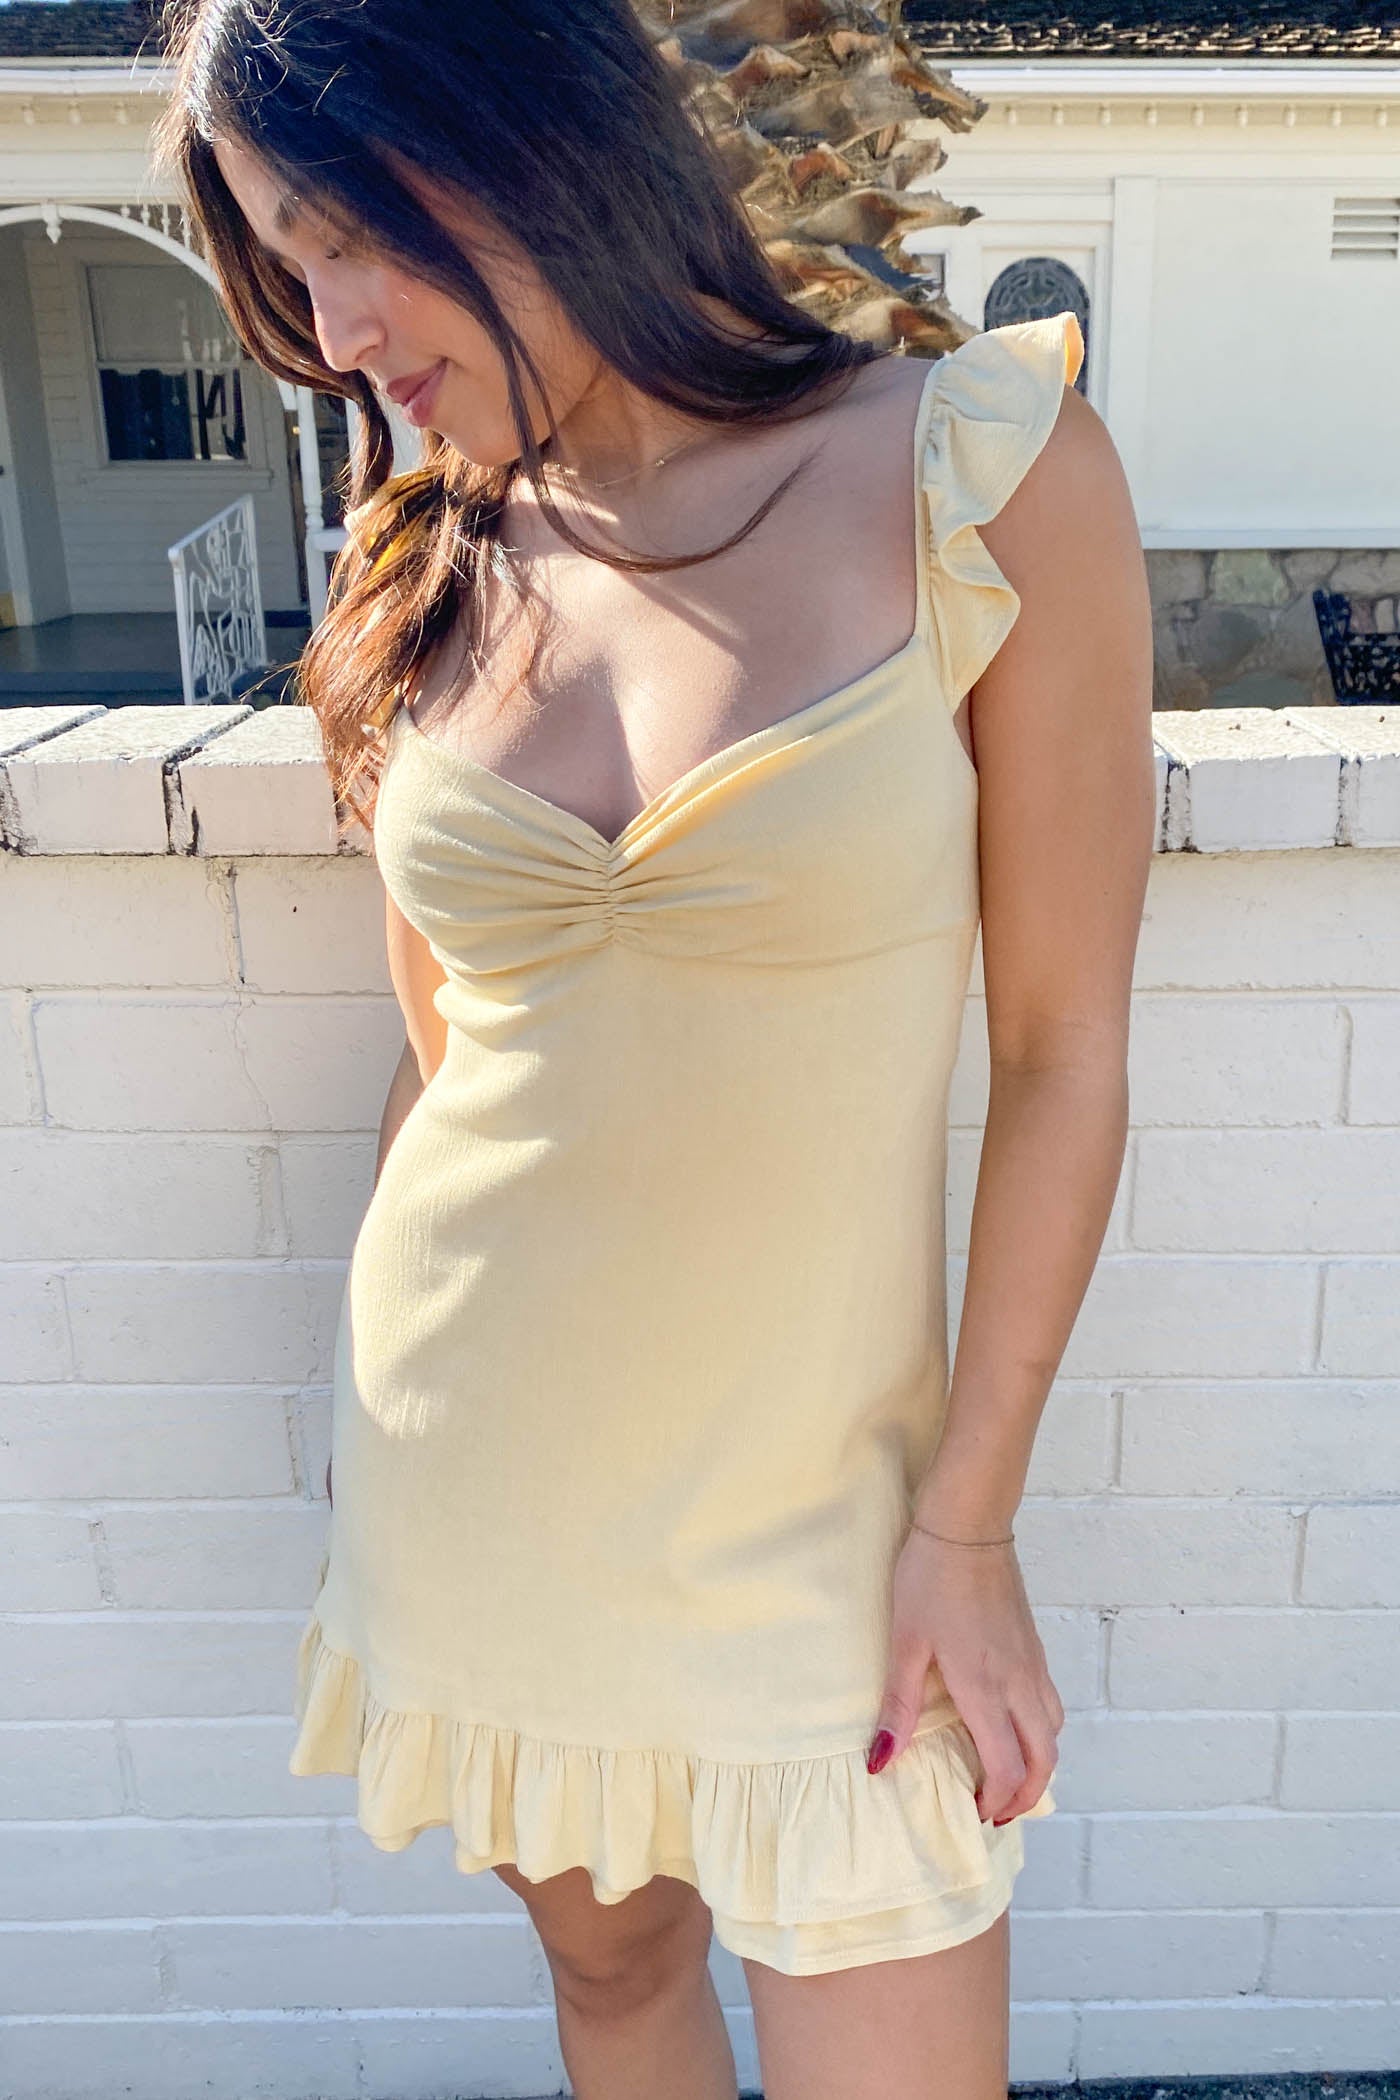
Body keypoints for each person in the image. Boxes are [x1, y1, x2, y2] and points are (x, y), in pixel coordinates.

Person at [156, 1, 1155, 2093]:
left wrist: (966, 1528)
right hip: (483, 1471)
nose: (331, 328)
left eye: (351, 233)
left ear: (539, 137)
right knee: (610, 1993)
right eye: (282, 266)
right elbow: (448, 1057)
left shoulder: (982, 468)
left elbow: (1063, 1050)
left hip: (837, 1522)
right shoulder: (423, 557)